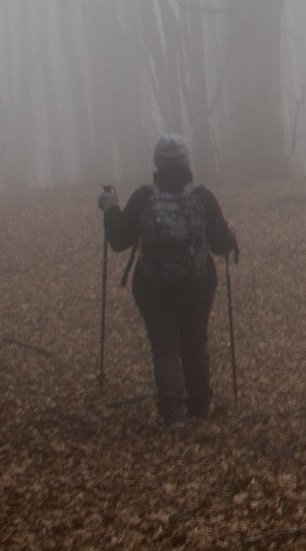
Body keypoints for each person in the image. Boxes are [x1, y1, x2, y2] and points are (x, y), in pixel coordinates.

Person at [100, 135, 239, 429]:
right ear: (187, 161)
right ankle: (199, 407)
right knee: (195, 342)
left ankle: (174, 414)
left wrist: (110, 208)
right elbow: (221, 245)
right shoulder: (202, 196)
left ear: (157, 164)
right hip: (198, 284)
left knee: (164, 347)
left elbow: (118, 240)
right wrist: (231, 233)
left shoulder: (143, 197)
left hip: (153, 287)